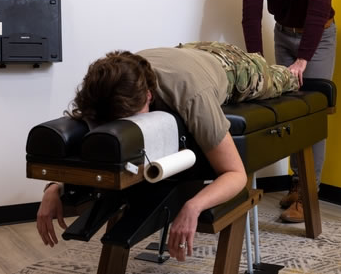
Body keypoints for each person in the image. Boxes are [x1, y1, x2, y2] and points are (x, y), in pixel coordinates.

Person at [37, 41, 299, 261]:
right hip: (186, 52)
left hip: (230, 65)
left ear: (149, 96)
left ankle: (293, 71)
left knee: (284, 78)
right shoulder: (107, 91)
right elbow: (93, 143)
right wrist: (55, 187)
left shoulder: (192, 97)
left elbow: (235, 174)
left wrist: (193, 206)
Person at [242, 0, 337, 223]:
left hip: (319, 35)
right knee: (288, 111)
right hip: (283, 34)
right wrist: (256, 63)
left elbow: (317, 8)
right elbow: (251, 14)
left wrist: (303, 59)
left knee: (312, 111)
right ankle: (296, 184)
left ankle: (308, 193)